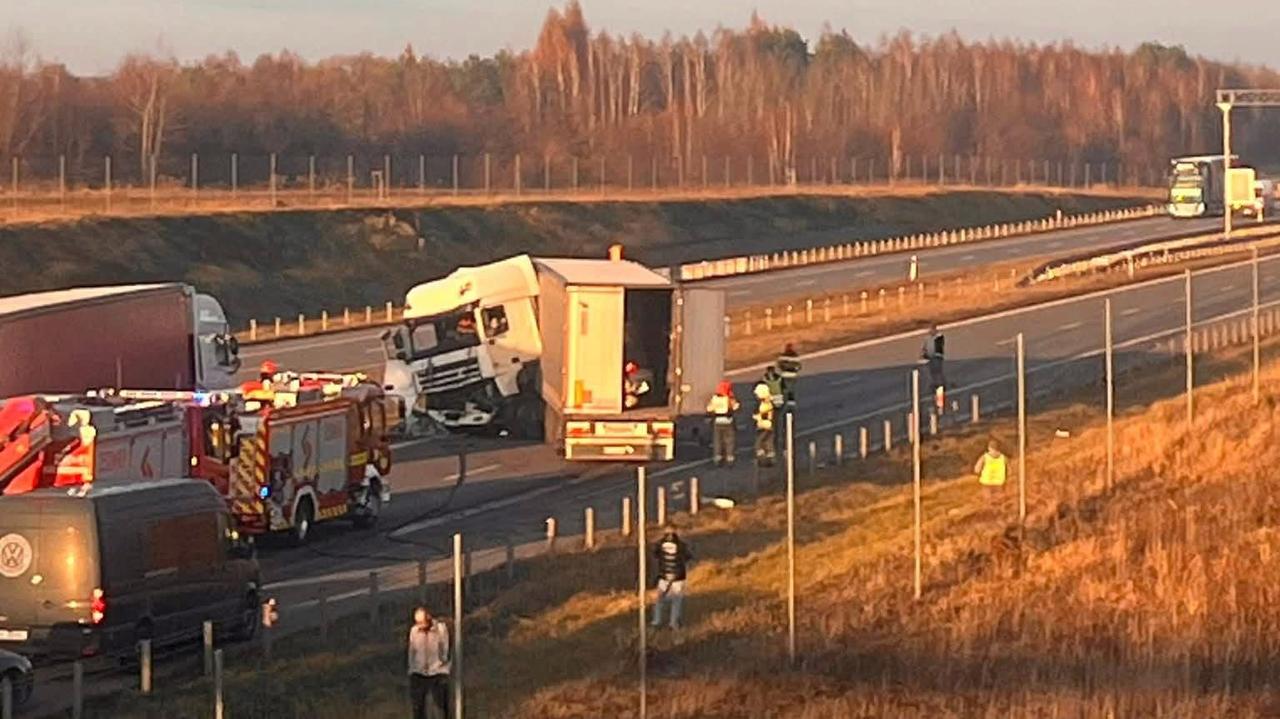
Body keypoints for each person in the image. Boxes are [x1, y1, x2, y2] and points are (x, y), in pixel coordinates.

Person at [407, 606, 451, 719]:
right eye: (418, 623)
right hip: (418, 672)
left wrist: (442, 663)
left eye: (423, 622)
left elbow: (445, 647)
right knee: (418, 708)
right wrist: (412, 668)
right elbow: (412, 650)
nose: (420, 626)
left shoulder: (440, 629)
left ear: (429, 618)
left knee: (439, 709)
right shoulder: (414, 631)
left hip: (437, 672)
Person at [651, 523, 693, 630]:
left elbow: (655, 555)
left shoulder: (659, 544)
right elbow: (688, 557)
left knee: (659, 600)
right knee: (676, 600)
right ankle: (673, 623)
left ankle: (656, 621)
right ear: (676, 531)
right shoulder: (681, 545)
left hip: (664, 576)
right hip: (678, 576)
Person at [706, 380, 740, 466]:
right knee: (729, 440)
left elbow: (709, 409)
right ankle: (729, 457)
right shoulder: (728, 397)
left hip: (718, 421)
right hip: (728, 421)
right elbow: (735, 407)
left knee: (718, 440)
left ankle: (718, 457)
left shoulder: (715, 398)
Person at [921, 324, 946, 414]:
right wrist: (924, 355)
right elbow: (925, 349)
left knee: (937, 376)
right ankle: (935, 387)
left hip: (936, 358)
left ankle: (940, 402)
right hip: (931, 360)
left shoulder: (939, 337)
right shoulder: (927, 339)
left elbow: (939, 349)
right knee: (933, 375)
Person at [752, 381, 776, 466]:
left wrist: (756, 417)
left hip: (763, 425)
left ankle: (761, 457)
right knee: (769, 441)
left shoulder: (763, 404)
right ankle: (770, 456)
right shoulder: (770, 402)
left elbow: (761, 414)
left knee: (759, 441)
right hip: (769, 425)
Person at [776, 344, 802, 411]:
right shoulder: (796, 356)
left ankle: (779, 402)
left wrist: (783, 369)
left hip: (784, 374)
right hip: (793, 375)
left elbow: (779, 365)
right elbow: (799, 366)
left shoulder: (782, 356)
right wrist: (795, 370)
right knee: (791, 389)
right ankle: (791, 402)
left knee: (782, 388)